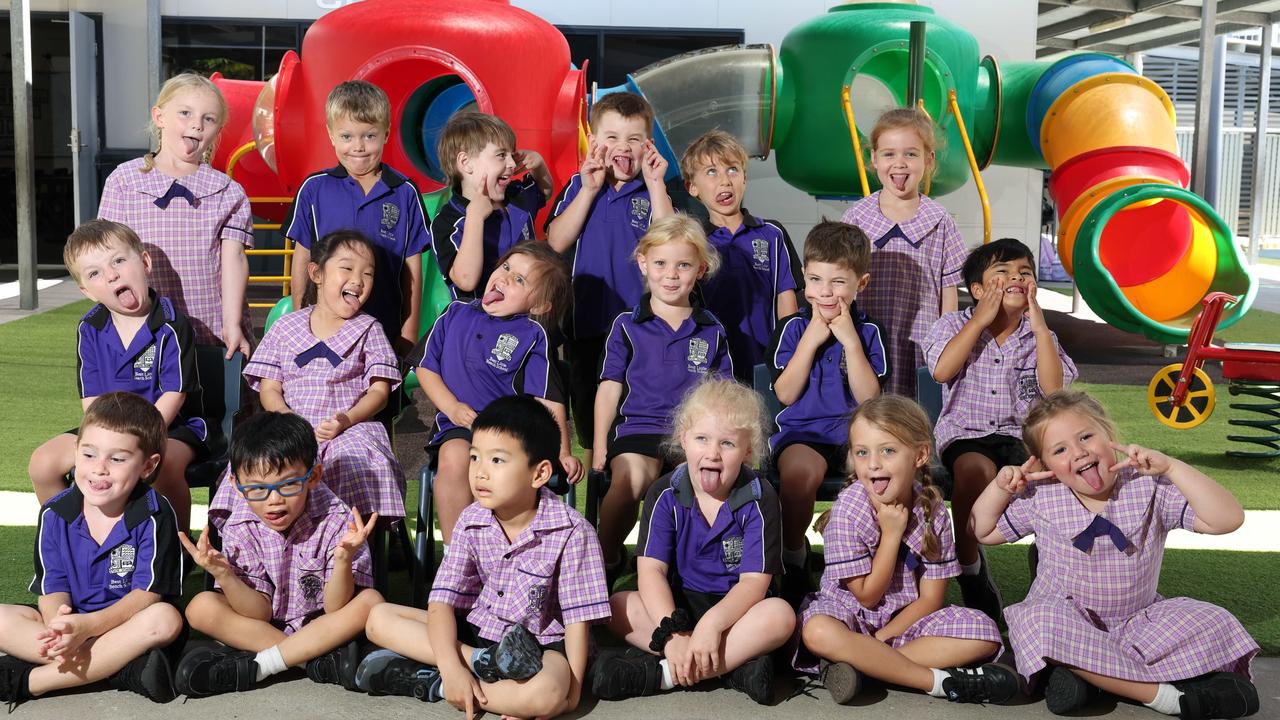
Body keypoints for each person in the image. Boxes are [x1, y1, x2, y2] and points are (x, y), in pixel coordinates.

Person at [972, 390, 1260, 719]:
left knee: (1215, 621)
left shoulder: (1149, 487)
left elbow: (1228, 519)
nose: (1078, 453)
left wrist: (1173, 467)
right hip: (1068, 624)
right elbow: (983, 531)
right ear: (1045, 465)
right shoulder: (1041, 498)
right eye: (1060, 450)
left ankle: (1091, 678)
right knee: (1036, 619)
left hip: (1137, 626)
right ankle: (1166, 696)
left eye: (1086, 437)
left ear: (1110, 435)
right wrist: (999, 488)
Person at [354, 395, 610, 719]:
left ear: (540, 473)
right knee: (378, 619)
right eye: (474, 457)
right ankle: (477, 669)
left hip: (543, 646)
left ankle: (438, 686)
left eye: (497, 461)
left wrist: (571, 695)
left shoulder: (573, 532)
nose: (480, 473)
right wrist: (453, 665)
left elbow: (577, 622)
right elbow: (442, 601)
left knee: (549, 693)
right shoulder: (471, 519)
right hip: (480, 638)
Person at [794, 394, 1015, 706]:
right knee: (816, 631)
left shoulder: (933, 511)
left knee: (984, 631)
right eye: (861, 452)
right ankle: (939, 682)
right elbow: (867, 596)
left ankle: (864, 667)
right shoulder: (848, 510)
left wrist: (880, 643)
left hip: (904, 626)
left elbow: (930, 600)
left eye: (887, 450)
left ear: (920, 454)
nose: (873, 463)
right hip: (848, 619)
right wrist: (891, 534)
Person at [592, 379, 794, 705]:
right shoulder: (664, 492)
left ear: (748, 451)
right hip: (679, 607)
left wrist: (712, 626)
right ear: (683, 440)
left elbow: (755, 584)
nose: (712, 453)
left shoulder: (759, 496)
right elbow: (651, 572)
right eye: (702, 439)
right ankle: (732, 669)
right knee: (617, 606)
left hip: (738, 612)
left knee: (780, 616)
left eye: (727, 443)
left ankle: (663, 675)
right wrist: (673, 636)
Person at [176, 411, 383, 697]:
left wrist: (344, 560)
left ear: (314, 476)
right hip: (267, 629)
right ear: (237, 487)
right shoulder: (239, 525)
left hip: (323, 626)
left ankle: (263, 665)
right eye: (258, 489)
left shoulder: (337, 519)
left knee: (370, 601)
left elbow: (336, 608)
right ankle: (314, 662)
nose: (274, 500)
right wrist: (224, 575)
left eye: (287, 485)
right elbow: (258, 611)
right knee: (200, 607)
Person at [924, 238, 1077, 622]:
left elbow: (1055, 391)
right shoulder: (954, 324)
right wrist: (978, 320)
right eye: (1002, 272)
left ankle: (1053, 571)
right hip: (967, 434)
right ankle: (970, 565)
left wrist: (1041, 329)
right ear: (977, 289)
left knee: (1055, 479)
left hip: (1022, 437)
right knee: (975, 471)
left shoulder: (1039, 335)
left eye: (1024, 272)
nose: (1016, 278)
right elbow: (942, 371)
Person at [208, 230, 405, 526]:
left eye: (368, 273)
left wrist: (346, 420)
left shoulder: (369, 329)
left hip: (347, 428)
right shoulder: (286, 327)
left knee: (353, 459)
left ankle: (347, 547)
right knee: (259, 458)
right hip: (290, 426)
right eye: (347, 268)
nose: (359, 280)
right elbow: (270, 388)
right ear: (317, 273)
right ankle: (251, 546)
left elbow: (379, 391)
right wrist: (287, 419)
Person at [0, 393, 185, 706]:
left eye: (117, 459)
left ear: (147, 466)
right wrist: (58, 625)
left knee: (165, 619)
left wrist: (89, 628)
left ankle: (27, 680)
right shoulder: (55, 512)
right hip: (74, 623)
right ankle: (119, 668)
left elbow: (148, 595)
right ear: (75, 452)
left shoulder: (155, 514)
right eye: (88, 454)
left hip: (126, 624)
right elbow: (52, 587)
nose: (99, 469)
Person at [29, 220, 208, 532]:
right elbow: (92, 399)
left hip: (171, 428)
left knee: (162, 467)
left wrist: (138, 438)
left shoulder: (171, 325)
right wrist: (105, 441)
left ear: (144, 263)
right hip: (107, 427)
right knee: (43, 463)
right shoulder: (90, 328)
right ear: (86, 290)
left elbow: (174, 394)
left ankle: (176, 547)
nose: (111, 274)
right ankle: (75, 538)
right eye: (95, 273)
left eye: (119, 261)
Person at [593, 214, 734, 585]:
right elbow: (609, 387)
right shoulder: (626, 325)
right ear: (644, 263)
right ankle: (604, 563)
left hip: (693, 438)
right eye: (660, 263)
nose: (671, 275)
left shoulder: (712, 330)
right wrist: (597, 448)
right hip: (638, 428)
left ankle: (681, 579)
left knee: (692, 490)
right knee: (633, 481)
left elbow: (723, 397)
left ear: (700, 269)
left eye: (683, 265)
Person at [418, 241, 580, 545]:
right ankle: (459, 555)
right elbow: (426, 368)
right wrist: (451, 407)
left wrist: (563, 452)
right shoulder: (455, 313)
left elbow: (548, 399)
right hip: (459, 426)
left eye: (520, 280)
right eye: (506, 267)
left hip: (509, 433)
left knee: (504, 467)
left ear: (540, 306)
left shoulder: (533, 335)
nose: (505, 278)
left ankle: (505, 549)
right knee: (454, 460)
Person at [546, 91, 675, 456]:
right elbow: (555, 240)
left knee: (639, 427)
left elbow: (672, 241)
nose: (623, 147)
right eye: (612, 138)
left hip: (643, 331)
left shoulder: (655, 193)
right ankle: (596, 505)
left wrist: (655, 184)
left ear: (647, 145)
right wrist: (588, 190)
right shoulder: (579, 185)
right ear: (595, 141)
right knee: (593, 434)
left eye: (634, 139)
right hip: (586, 329)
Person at [768, 220, 887, 605]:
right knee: (800, 476)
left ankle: (860, 563)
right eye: (816, 280)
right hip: (803, 434)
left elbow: (869, 398)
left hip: (858, 436)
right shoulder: (792, 328)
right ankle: (794, 557)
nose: (826, 292)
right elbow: (785, 394)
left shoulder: (868, 332)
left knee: (882, 474)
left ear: (860, 284)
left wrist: (849, 340)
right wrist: (813, 338)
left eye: (838, 282)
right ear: (804, 277)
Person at [98, 73, 253, 359]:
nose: (197, 124)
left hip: (210, 326)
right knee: (143, 403)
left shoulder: (228, 192)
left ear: (218, 130)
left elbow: (234, 259)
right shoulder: (123, 182)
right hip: (141, 327)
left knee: (213, 400)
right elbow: (107, 256)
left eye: (209, 119)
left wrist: (231, 324)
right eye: (185, 113)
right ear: (159, 117)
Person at [284, 80, 431, 356]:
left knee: (381, 398)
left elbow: (412, 270)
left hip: (384, 330)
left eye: (369, 136)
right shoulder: (314, 189)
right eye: (347, 136)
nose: (359, 147)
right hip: (322, 330)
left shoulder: (404, 192)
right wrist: (299, 320)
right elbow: (302, 259)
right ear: (330, 135)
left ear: (386, 134)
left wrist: (409, 331)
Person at [841, 107, 965, 399]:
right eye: (888, 154)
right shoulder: (856, 219)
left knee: (915, 419)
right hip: (866, 342)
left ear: (929, 160)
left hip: (921, 345)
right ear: (873, 158)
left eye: (910, 154)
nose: (899, 164)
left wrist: (945, 345)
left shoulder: (940, 221)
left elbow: (949, 295)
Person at [681, 129, 800, 378]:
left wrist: (788, 354)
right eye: (711, 172)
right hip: (712, 364)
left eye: (732, 170)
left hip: (764, 361)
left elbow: (785, 299)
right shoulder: (693, 241)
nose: (725, 181)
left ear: (744, 178)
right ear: (692, 187)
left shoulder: (772, 233)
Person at [430, 111, 554, 303]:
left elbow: (544, 190)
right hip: (478, 324)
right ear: (465, 163)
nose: (512, 163)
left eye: (512, 155)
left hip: (527, 316)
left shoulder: (515, 196)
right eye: (501, 155)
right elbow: (466, 280)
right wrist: (475, 218)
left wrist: (539, 164)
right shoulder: (448, 221)